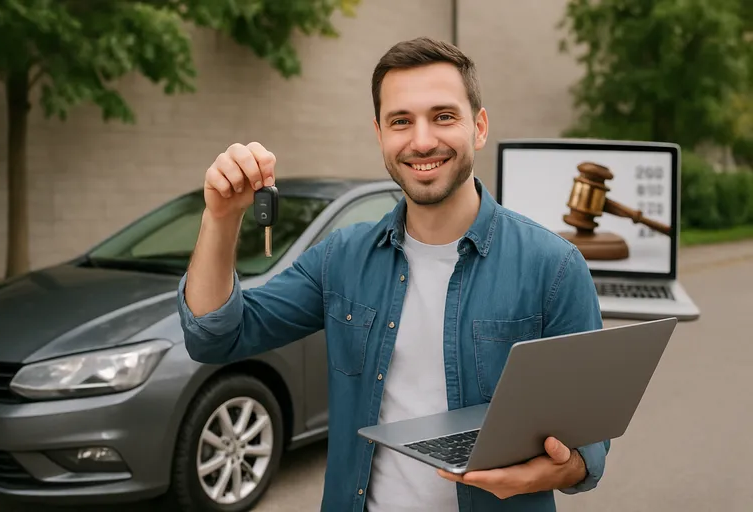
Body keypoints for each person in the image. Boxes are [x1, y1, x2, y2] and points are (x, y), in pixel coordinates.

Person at [178, 36, 610, 512]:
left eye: (443, 116)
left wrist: (554, 469)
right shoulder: (341, 258)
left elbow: (587, 446)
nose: (422, 140)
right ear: (380, 133)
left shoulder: (555, 267)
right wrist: (220, 218)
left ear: (479, 127)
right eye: (400, 121)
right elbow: (215, 336)